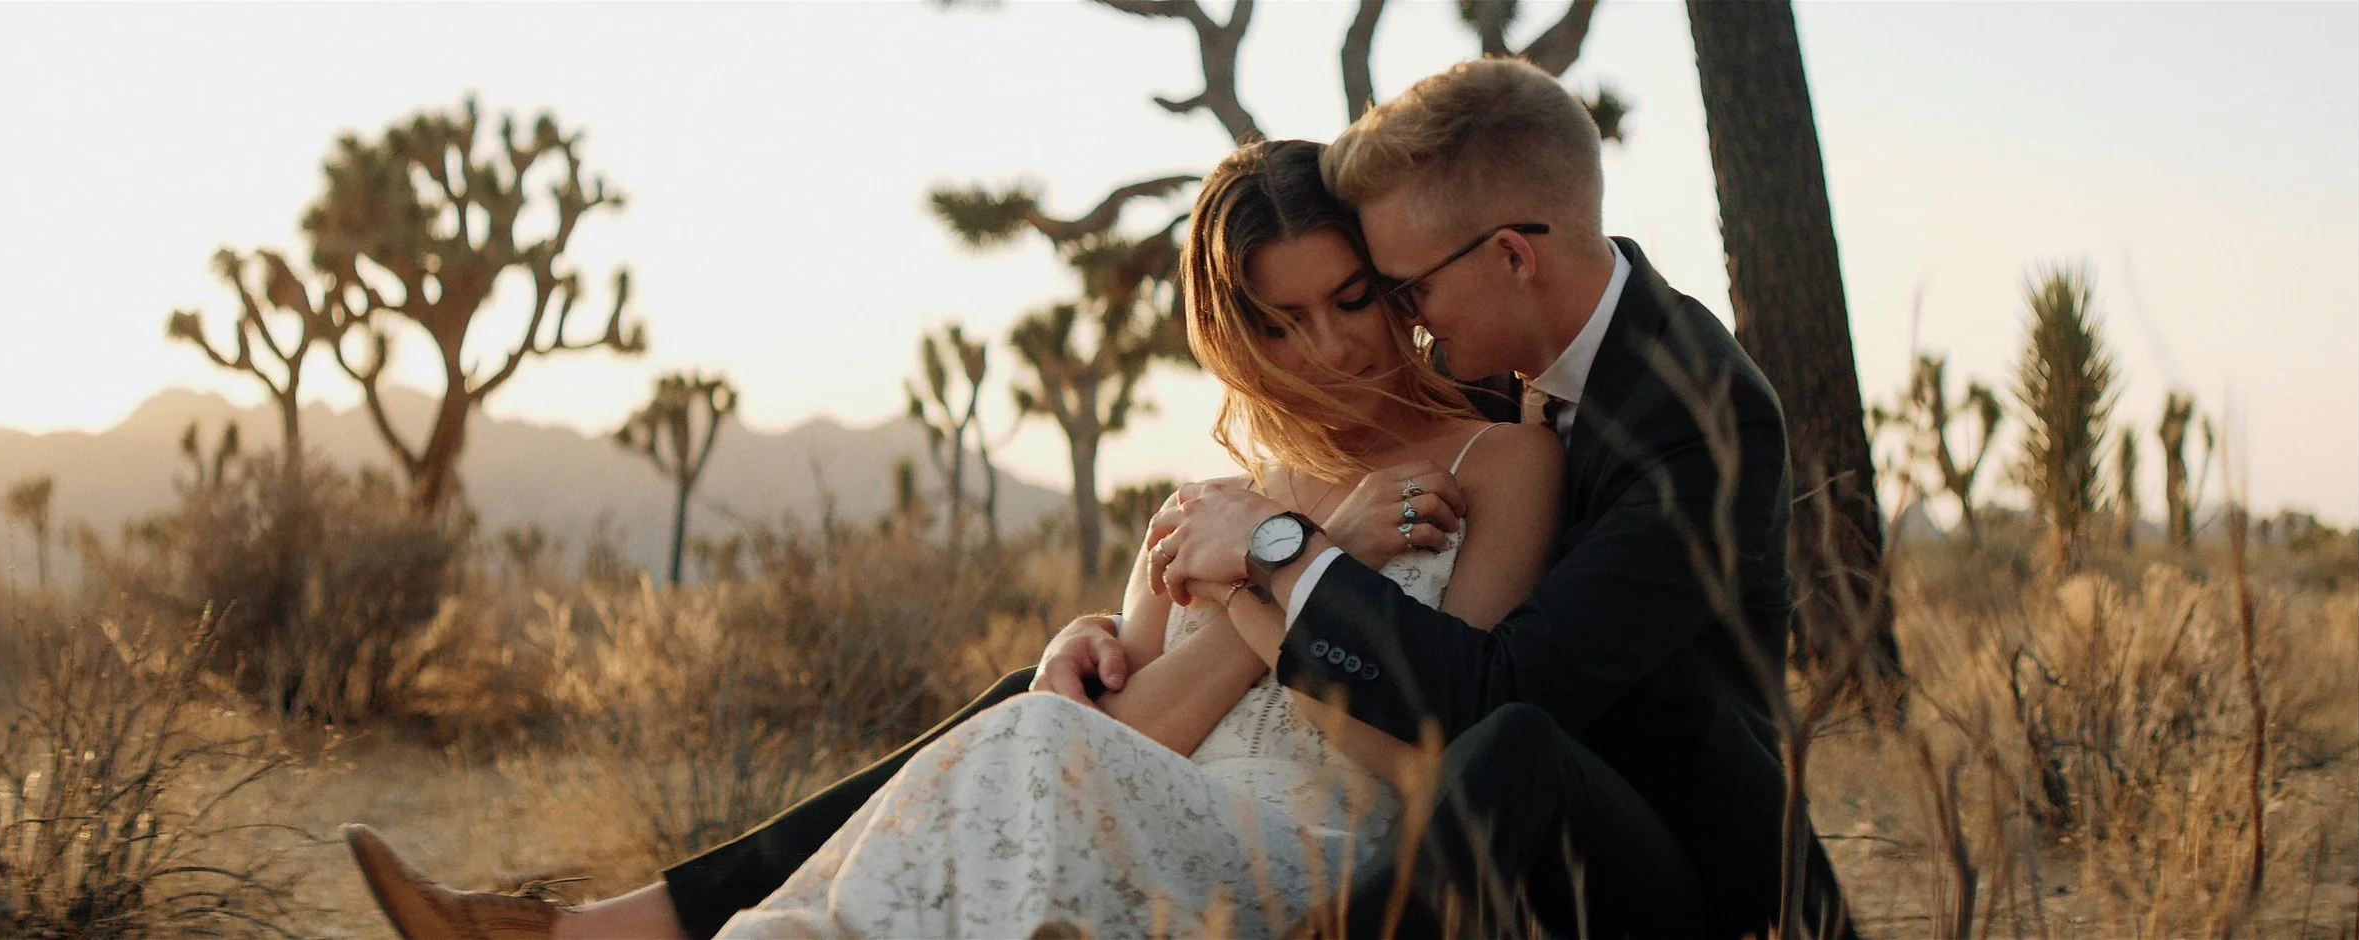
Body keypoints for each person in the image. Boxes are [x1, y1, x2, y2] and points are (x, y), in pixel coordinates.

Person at [343, 137, 1565, 938]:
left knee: (1014, 761)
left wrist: (1284, 564)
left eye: (1352, 300)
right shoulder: (1211, 500)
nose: (1334, 349)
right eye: (1283, 322)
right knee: (995, 796)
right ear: (1236, 334)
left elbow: (1430, 744)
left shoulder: (1498, 463)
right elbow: (1120, 733)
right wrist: (1271, 563)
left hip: (1310, 854)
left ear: (1392, 284)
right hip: (1134, 813)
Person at [1138, 57, 1860, 937]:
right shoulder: (1481, 361)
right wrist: (1087, 644)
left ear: (1513, 255)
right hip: (1493, 832)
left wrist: (1281, 548)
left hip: (1671, 855)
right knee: (1041, 710)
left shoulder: (1703, 416)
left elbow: (1502, 688)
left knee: (1512, 747)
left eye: (1410, 289)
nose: (1405, 320)